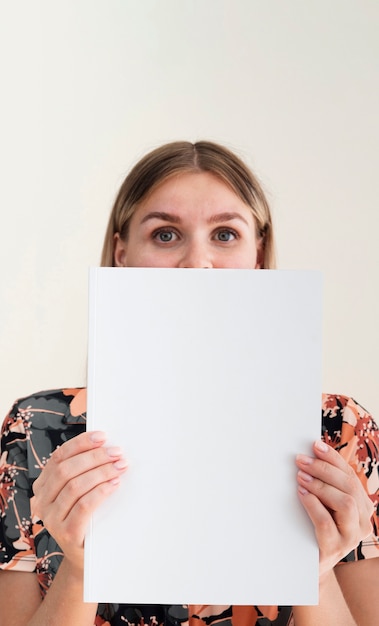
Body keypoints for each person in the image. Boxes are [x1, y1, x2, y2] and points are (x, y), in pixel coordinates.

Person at [0, 141, 378, 626]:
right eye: (165, 235)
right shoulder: (37, 429)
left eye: (225, 234)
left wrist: (316, 572)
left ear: (257, 256)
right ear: (122, 254)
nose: (197, 262)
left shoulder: (340, 432)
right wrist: (81, 572)